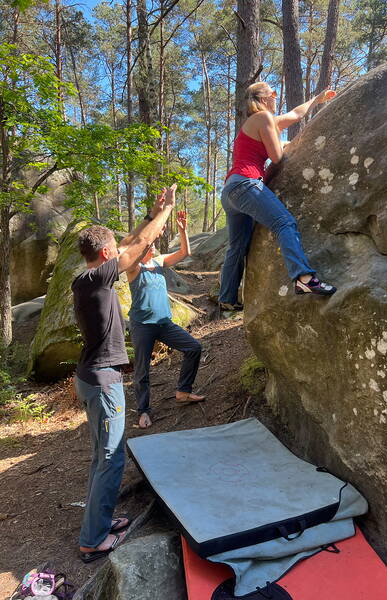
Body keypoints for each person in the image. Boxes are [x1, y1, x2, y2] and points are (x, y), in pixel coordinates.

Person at [71, 184, 176, 563]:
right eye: (113, 249)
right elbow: (135, 248)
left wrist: (152, 211)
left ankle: (98, 521)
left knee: (103, 455)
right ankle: (92, 539)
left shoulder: (89, 278)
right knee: (111, 457)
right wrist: (166, 215)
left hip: (93, 377)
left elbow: (130, 241)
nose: (120, 252)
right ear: (104, 254)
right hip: (102, 382)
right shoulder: (95, 279)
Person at [218, 82, 337, 311]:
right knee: (284, 222)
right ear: (263, 99)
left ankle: (226, 298)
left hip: (230, 190)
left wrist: (317, 99)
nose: (276, 96)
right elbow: (276, 157)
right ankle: (304, 279)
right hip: (246, 184)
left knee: (237, 246)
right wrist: (284, 144)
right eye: (273, 93)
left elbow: (295, 114)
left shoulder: (262, 121)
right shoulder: (263, 117)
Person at [126, 209, 205, 430]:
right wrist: (149, 235)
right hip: (142, 326)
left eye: (152, 244)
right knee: (142, 370)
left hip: (164, 324)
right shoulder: (134, 269)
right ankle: (143, 411)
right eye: (149, 245)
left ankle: (183, 391)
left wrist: (183, 230)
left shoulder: (159, 262)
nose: (152, 247)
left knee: (193, 347)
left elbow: (184, 252)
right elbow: (137, 255)